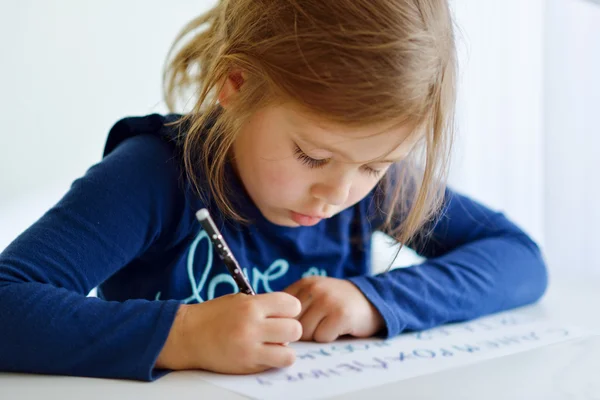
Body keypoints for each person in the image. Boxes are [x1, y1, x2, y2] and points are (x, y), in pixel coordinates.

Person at [0, 0, 547, 382]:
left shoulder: (365, 177)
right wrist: (183, 336)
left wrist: (374, 301)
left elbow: (519, 259)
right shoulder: (152, 175)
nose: (338, 193)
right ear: (234, 85)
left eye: (377, 167)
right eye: (311, 156)